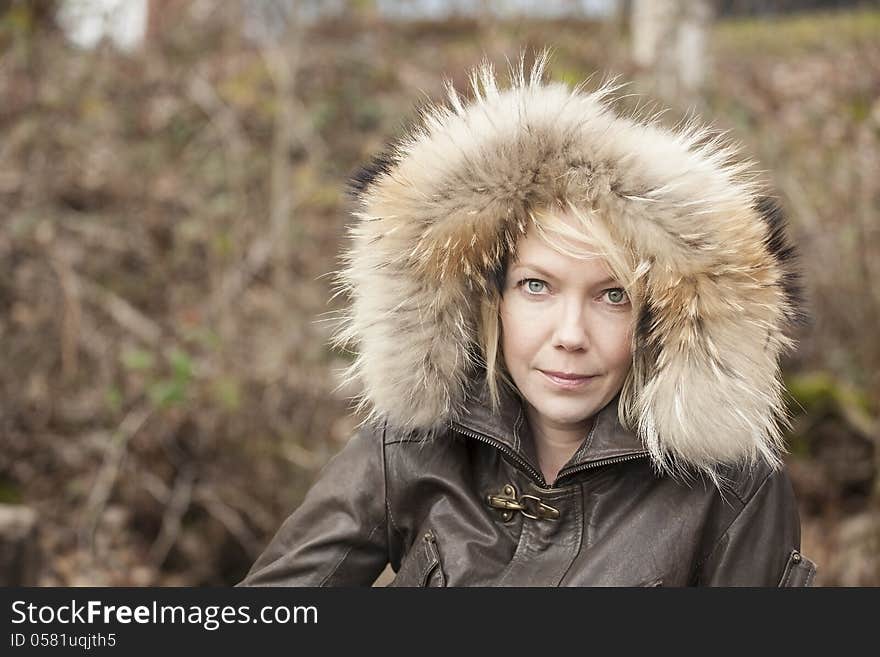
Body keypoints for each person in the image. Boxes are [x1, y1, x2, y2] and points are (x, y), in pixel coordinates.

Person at [238, 53, 818, 587]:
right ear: (492, 299)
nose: (570, 336)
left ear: (658, 321)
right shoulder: (410, 447)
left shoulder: (732, 491)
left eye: (613, 296)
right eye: (536, 287)